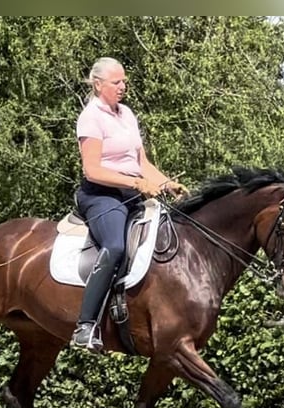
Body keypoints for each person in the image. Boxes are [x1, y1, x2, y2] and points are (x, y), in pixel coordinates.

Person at [71, 56, 188, 352]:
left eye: (124, 81)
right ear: (98, 85)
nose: (123, 86)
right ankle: (85, 326)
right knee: (116, 247)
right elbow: (92, 170)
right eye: (116, 82)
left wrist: (165, 183)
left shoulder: (126, 114)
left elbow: (140, 162)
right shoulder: (91, 117)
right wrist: (136, 183)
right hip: (101, 196)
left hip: (132, 194)